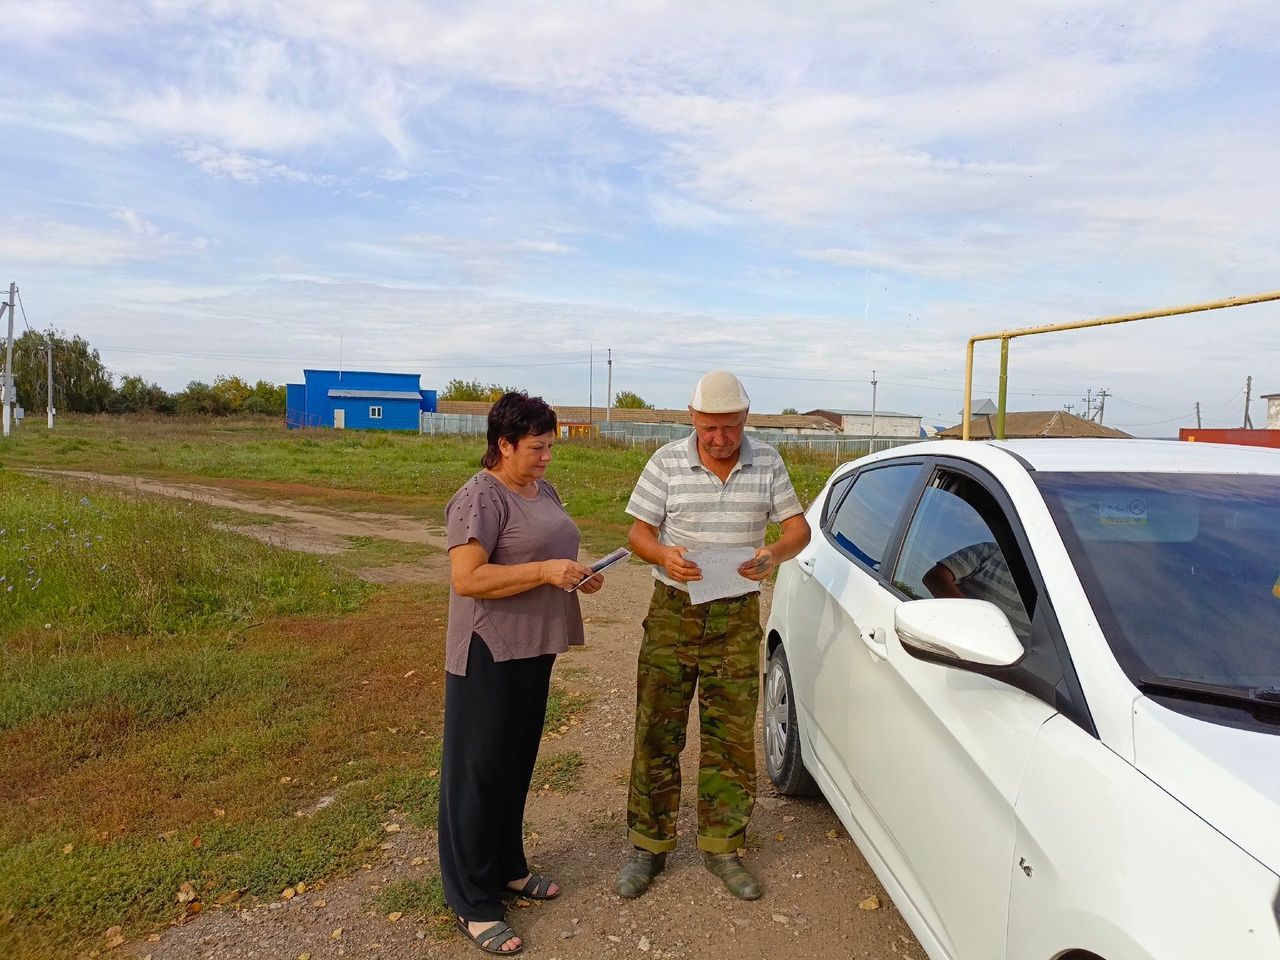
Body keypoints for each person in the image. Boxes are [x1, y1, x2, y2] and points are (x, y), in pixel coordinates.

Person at [614, 370, 811, 901]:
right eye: (708, 429)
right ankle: (647, 847)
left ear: (745, 420)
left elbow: (798, 528)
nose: (719, 439)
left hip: (736, 616)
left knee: (728, 739)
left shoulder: (767, 461)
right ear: (693, 419)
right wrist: (662, 556)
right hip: (674, 612)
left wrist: (772, 553)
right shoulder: (665, 463)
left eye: (729, 428)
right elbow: (637, 532)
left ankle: (723, 846)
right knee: (657, 729)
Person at [439, 391, 603, 955]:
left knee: (514, 765)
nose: (546, 457)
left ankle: (507, 866)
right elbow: (468, 579)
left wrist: (574, 575)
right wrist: (544, 570)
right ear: (503, 444)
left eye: (550, 447)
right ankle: (471, 900)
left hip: (534, 648)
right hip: (488, 651)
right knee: (477, 773)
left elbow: (547, 557)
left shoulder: (543, 490)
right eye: (536, 448)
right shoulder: (479, 497)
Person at [922, 541, 1032, 637]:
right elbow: (935, 577)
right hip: (944, 642)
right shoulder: (991, 551)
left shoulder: (1048, 596)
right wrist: (974, 622)